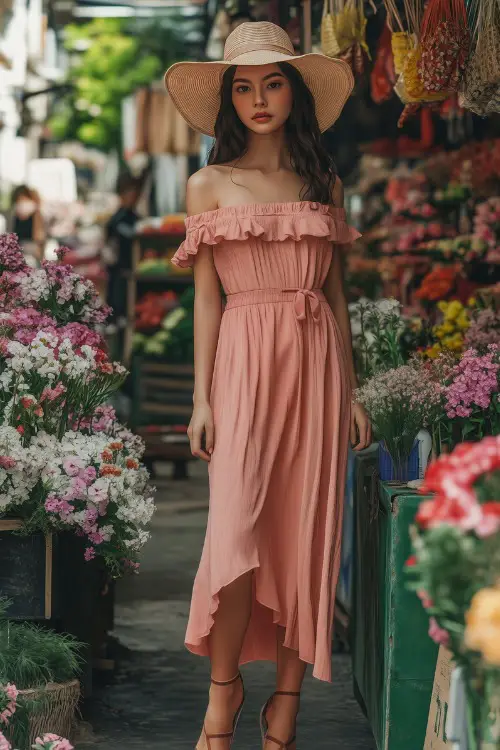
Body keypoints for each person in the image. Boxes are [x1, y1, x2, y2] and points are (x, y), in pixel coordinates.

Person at [166, 21, 372, 750]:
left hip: (316, 366)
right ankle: (224, 693)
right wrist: (200, 400)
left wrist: (350, 392)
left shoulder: (324, 182)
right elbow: (207, 298)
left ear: (295, 93)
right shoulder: (208, 184)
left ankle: (286, 706)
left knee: (300, 537)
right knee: (236, 532)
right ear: (229, 100)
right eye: (244, 87)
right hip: (244, 366)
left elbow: (338, 293)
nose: (259, 99)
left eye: (273, 82)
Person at [104, 173, 142, 332]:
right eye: (129, 194)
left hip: (132, 269)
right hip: (118, 270)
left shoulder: (136, 218)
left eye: (134, 194)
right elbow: (109, 246)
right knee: (117, 306)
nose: (132, 197)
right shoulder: (116, 220)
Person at [10, 185, 45, 265]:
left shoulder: (36, 213)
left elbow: (39, 234)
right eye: (19, 200)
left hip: (32, 248)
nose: (21, 202)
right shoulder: (16, 214)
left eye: (23, 198)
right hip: (20, 249)